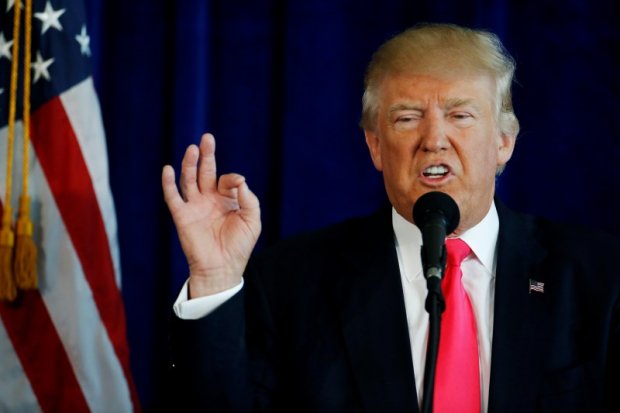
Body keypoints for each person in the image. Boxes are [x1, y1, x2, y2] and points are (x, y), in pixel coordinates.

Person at [162, 23, 620, 412]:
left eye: (460, 115)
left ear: (504, 141)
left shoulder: (599, 277)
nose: (434, 139)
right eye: (406, 118)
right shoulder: (291, 283)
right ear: (375, 145)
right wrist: (215, 278)